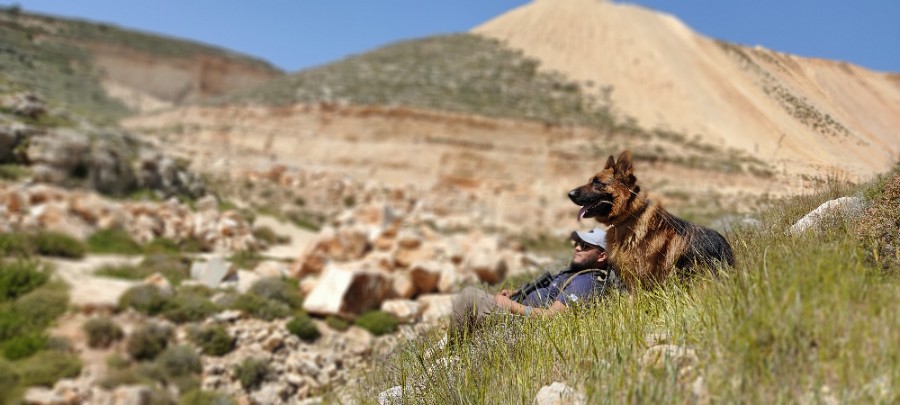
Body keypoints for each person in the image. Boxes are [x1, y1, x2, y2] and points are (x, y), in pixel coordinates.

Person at [450, 228, 623, 335]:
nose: (577, 248)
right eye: (578, 243)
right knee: (473, 299)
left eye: (585, 246)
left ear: (601, 256)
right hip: (516, 310)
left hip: (520, 323)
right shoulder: (576, 272)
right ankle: (459, 341)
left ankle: (453, 351)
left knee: (468, 296)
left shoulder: (586, 282)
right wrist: (515, 294)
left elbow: (553, 317)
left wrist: (508, 305)